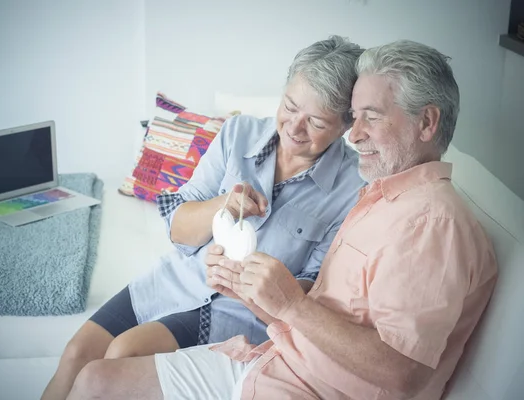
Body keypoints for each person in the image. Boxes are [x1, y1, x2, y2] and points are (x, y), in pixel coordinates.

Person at [65, 40, 498, 400]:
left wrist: (282, 300)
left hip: (279, 363)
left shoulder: (426, 219)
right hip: (270, 354)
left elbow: (402, 374)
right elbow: (181, 229)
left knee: (113, 364)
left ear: (426, 123)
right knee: (85, 369)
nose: (356, 134)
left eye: (370, 117)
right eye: (290, 106)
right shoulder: (380, 197)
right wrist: (236, 241)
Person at [42, 35, 366, 400]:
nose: (294, 127)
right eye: (290, 106)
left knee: (122, 353)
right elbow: (178, 230)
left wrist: (243, 281)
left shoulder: (353, 189)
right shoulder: (238, 134)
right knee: (75, 354)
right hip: (177, 280)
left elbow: (310, 297)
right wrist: (222, 204)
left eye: (317, 122)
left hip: (239, 313)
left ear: (345, 126)